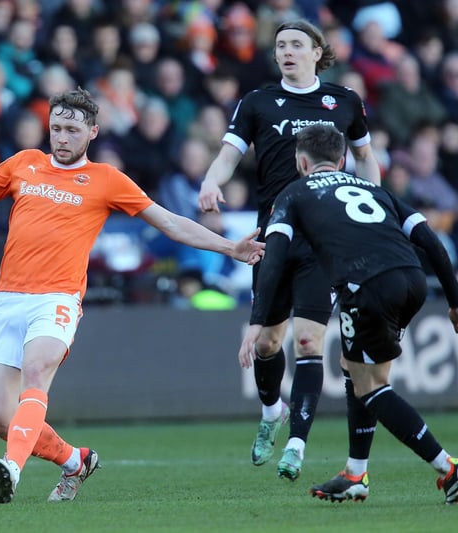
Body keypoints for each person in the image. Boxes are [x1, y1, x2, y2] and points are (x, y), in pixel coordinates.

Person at [0, 87, 265, 504]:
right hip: (8, 299)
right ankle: (75, 461)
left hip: (57, 300)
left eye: (72, 129)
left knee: (36, 374)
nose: (62, 137)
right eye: (56, 128)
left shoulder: (106, 179)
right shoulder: (24, 164)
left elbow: (172, 223)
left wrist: (228, 246)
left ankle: (11, 469)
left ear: (92, 132)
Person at [198, 19, 382, 482]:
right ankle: (270, 410)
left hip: (324, 239)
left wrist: (372, 204)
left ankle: (297, 446)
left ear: (318, 51)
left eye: (297, 44)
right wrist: (209, 180)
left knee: (308, 341)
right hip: (273, 234)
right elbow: (228, 154)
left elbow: (365, 156)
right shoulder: (258, 101)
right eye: (280, 45)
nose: (287, 51)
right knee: (266, 343)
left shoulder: (344, 101)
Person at [239, 123, 458, 505]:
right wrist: (455, 301)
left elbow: (272, 260)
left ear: (300, 161)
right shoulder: (374, 189)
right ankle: (356, 472)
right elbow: (429, 239)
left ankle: (448, 467)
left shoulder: (293, 193)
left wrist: (257, 320)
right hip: (412, 281)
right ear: (342, 160)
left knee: (370, 387)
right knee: (359, 369)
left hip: (368, 287)